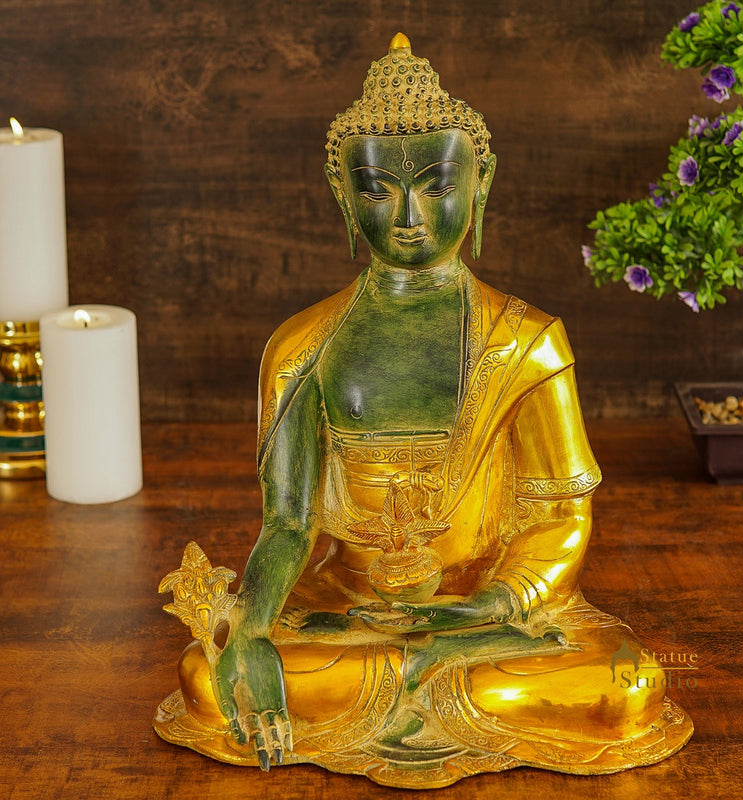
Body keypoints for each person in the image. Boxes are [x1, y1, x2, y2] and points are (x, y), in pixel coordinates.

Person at [154, 34, 692, 789]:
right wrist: (252, 627)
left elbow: (559, 518)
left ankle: (428, 674)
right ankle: (414, 681)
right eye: (379, 191)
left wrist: (484, 607)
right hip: (349, 610)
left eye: (437, 186)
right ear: (343, 194)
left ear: (481, 181)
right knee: (210, 677)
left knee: (625, 684)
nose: (410, 215)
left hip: (488, 615)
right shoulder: (302, 347)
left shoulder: (528, 342)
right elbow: (288, 525)